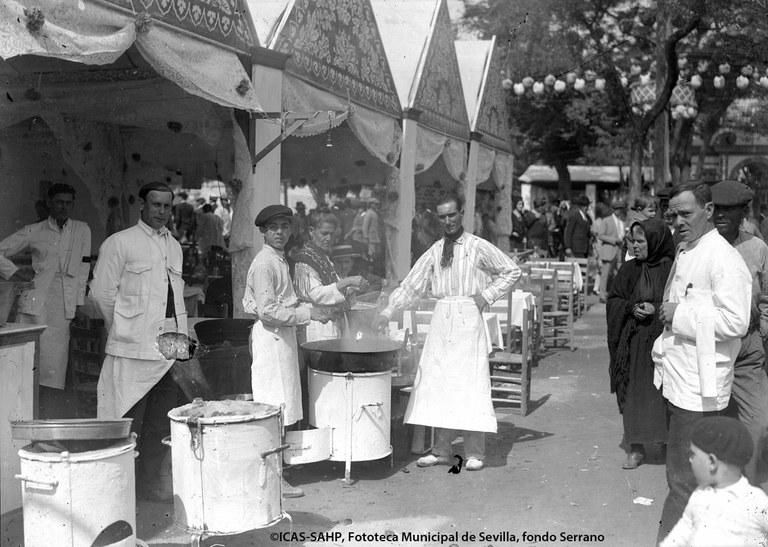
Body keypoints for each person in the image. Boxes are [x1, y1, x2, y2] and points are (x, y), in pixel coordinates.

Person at [373, 193, 521, 471]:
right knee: (439, 383)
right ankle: (441, 450)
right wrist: (386, 311)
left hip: (468, 317)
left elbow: (511, 271)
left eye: (452, 215)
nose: (448, 221)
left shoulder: (478, 246)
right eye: (442, 216)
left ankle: (475, 451)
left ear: (461, 213)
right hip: (442, 320)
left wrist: (485, 296)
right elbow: (411, 285)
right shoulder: (435, 250)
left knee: (469, 383)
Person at [652, 182, 752, 541]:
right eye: (672, 214)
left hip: (699, 387)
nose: (677, 221)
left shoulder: (724, 259)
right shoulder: (687, 248)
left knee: (682, 482)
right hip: (679, 382)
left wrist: (678, 314)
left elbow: (736, 322)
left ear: (708, 211)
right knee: (687, 479)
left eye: (685, 213)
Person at [90, 181, 187, 500]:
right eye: (156, 205)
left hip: (169, 347)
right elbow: (101, 295)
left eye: (167, 206)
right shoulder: (120, 243)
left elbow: (176, 300)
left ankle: (148, 486)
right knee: (128, 421)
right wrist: (125, 330)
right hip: (132, 349)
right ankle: (120, 491)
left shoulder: (174, 246)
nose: (162, 211)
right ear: (142, 206)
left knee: (160, 425)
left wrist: (181, 346)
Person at [242, 204, 328, 498]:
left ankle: (279, 472)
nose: (280, 233)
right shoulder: (265, 263)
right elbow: (267, 311)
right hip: (272, 339)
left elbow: (252, 302)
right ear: (263, 232)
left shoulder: (278, 261)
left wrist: (305, 311)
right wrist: (307, 315)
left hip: (283, 338)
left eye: (284, 227)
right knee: (274, 407)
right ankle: (275, 478)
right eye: (273, 228)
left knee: (285, 405)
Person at [0, 183, 91, 408]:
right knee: (27, 364)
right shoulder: (35, 231)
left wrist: (79, 304)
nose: (63, 207)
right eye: (59, 202)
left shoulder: (82, 230)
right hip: (34, 303)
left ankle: (49, 416)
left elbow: (83, 270)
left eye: (68, 203)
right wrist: (14, 271)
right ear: (49, 203)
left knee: (54, 369)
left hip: (63, 307)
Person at [711, 179, 768, 487]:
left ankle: (753, 487)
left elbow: (767, 296)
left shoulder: (757, 248)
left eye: (729, 210)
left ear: (742, 213)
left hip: (749, 343)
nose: (721, 216)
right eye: (717, 209)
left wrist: (765, 329)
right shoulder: (697, 248)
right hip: (710, 344)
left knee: (759, 422)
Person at [607, 219, 674, 470]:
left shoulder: (672, 270)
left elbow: (680, 301)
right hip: (634, 342)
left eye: (640, 241)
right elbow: (614, 299)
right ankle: (636, 448)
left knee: (664, 393)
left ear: (655, 242)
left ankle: (668, 446)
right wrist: (630, 307)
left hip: (664, 341)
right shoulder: (629, 270)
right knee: (634, 392)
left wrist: (655, 308)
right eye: (632, 241)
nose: (634, 246)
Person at [660, 416, 768, 546]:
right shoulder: (700, 495)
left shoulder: (756, 502)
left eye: (693, 455)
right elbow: (681, 533)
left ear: (712, 462)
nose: (690, 460)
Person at [293, 212, 367, 342]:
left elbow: (334, 289)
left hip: (332, 324)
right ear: (311, 231)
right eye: (324, 233)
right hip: (317, 326)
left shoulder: (324, 258)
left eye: (332, 234)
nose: (328, 238)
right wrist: (348, 282)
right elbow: (316, 294)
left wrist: (354, 288)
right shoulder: (305, 259)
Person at [594, 199, 626, 302]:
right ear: (613, 210)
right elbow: (600, 235)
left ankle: (614, 294)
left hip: (619, 252)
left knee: (618, 275)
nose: (619, 211)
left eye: (620, 209)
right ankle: (602, 295)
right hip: (608, 251)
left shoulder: (622, 222)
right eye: (617, 209)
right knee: (605, 275)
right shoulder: (606, 220)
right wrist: (614, 240)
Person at [362, 198, 383, 275]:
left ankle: (375, 271)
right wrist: (365, 236)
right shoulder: (369, 213)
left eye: (377, 204)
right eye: (374, 204)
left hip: (376, 238)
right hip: (370, 238)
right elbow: (365, 226)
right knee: (371, 255)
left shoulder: (375, 213)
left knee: (375, 255)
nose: (376, 205)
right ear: (370, 204)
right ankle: (370, 272)